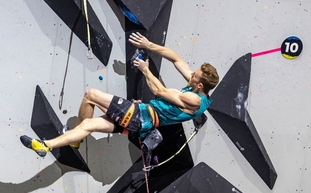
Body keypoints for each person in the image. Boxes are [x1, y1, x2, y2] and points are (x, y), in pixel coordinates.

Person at [20, 32, 219, 157]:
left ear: (200, 84)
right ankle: (46, 145)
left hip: (140, 115)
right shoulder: (197, 88)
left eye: (194, 75)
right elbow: (176, 58)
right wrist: (148, 45)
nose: (191, 73)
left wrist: (145, 69)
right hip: (139, 122)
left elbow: (159, 91)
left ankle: (74, 139)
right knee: (90, 125)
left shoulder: (194, 99)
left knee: (91, 94)